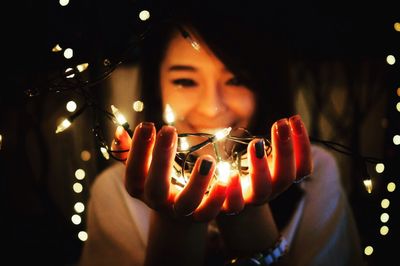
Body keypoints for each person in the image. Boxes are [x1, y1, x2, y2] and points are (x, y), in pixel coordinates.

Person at [79, 1, 365, 265]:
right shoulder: (114, 190)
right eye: (185, 81)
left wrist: (250, 217)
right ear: (157, 87)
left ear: (265, 86)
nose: (212, 107)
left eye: (236, 79)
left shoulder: (315, 176)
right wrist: (174, 224)